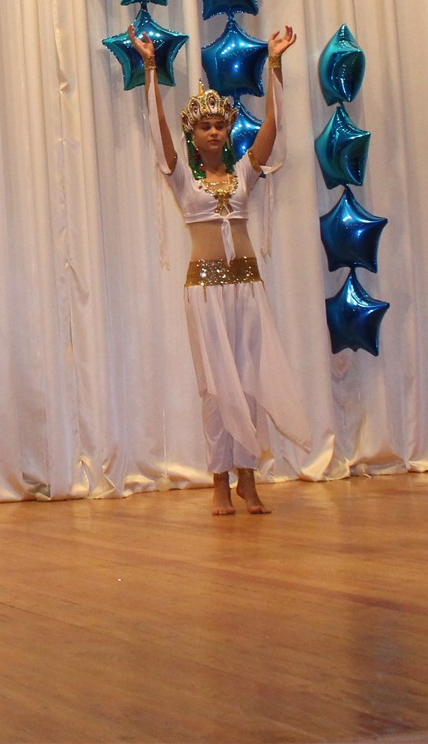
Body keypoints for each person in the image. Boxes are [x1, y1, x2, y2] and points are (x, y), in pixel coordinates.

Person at [131, 26, 309, 515]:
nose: (213, 132)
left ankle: (248, 478)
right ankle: (218, 481)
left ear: (228, 132)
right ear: (192, 136)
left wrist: (274, 65)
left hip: (247, 289)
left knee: (249, 381)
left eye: (219, 125)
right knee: (216, 387)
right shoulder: (182, 180)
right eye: (204, 126)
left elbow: (272, 129)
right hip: (205, 293)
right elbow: (158, 134)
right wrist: (151, 69)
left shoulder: (244, 173)